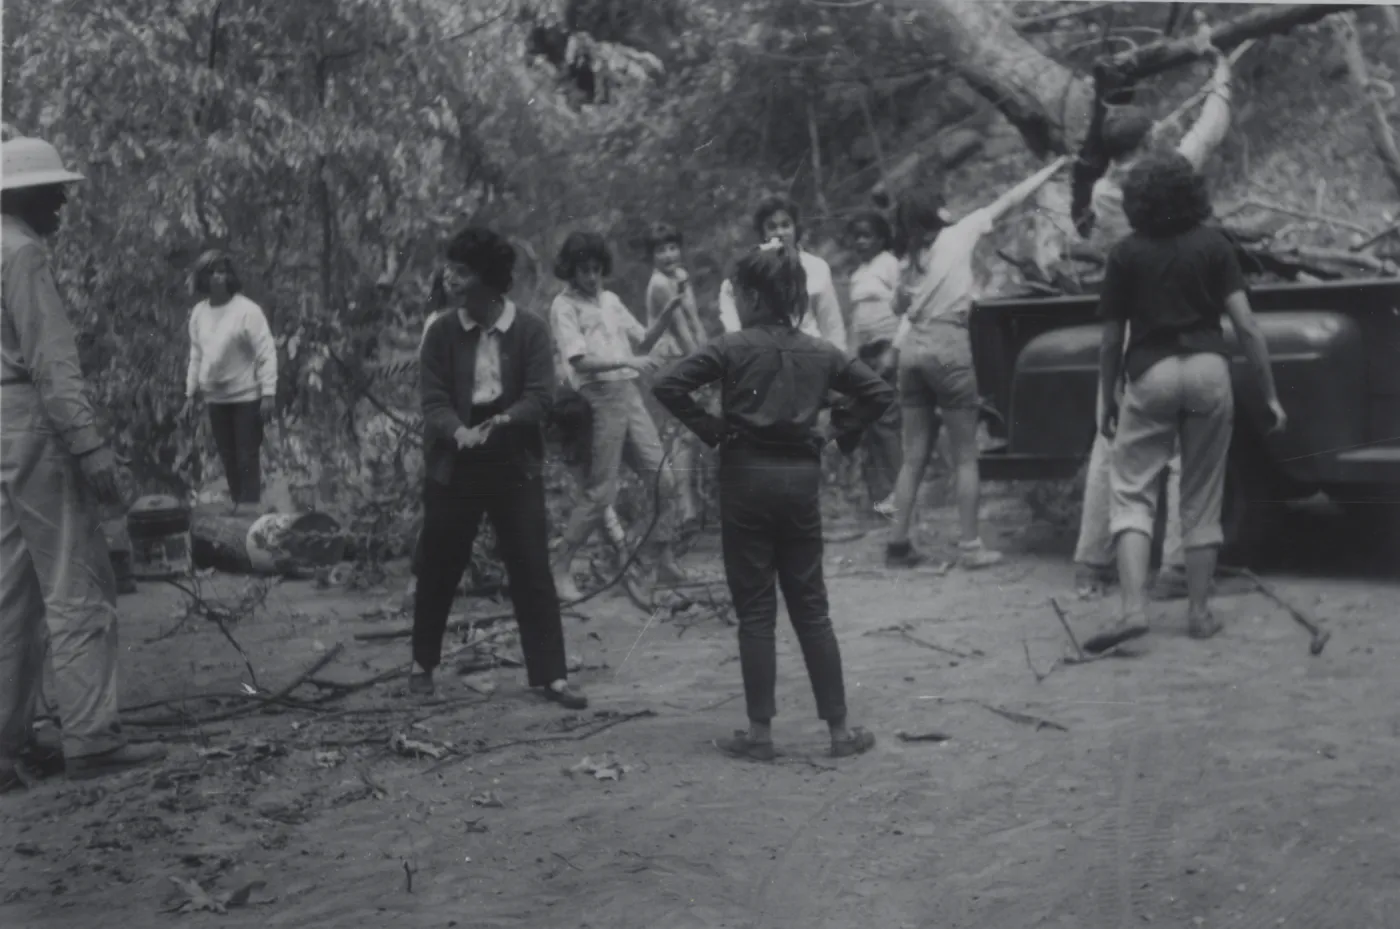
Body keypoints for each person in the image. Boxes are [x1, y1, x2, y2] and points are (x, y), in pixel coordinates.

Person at [653, 241, 894, 762]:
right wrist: (834, 431)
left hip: (745, 476)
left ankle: (761, 735)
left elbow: (669, 384)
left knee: (756, 610)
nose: (736, 302)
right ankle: (839, 732)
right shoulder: (822, 351)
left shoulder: (733, 346)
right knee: (812, 607)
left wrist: (713, 429)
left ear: (757, 298)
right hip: (800, 478)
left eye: (738, 293)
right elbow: (878, 393)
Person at [1, 136, 167, 790]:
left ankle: (6, 742)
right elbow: (52, 361)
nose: (64, 201)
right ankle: (92, 736)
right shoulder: (22, 253)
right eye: (54, 190)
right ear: (22, 194)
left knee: (11, 589)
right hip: (32, 417)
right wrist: (89, 444)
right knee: (76, 581)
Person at [1084, 152, 1286, 653]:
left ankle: (1133, 608)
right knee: (1201, 494)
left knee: (1132, 492)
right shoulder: (1215, 245)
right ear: (1193, 194)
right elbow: (1246, 327)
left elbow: (1111, 339)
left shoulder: (1125, 254)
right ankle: (1198, 613)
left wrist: (1105, 394)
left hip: (1150, 374)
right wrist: (1270, 394)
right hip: (1207, 373)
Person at [1075, 40, 1236, 598]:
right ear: (1149, 141)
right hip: (1173, 328)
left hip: (1133, 334)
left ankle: (1093, 563)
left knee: (1114, 451)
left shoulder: (1101, 191)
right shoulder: (1164, 178)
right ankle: (1173, 570)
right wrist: (1221, 77)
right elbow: (1209, 131)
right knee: (1177, 459)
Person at [413, 226, 587, 709]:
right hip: (456, 459)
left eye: (463, 272)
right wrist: (458, 431)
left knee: (531, 566)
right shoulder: (441, 331)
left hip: (512, 457)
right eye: (450, 267)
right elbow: (433, 401)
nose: (450, 278)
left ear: (490, 281)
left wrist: (505, 421)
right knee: (440, 563)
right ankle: (421, 665)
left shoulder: (529, 328)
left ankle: (551, 676)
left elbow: (540, 396)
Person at [885, 157, 1069, 570]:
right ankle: (970, 546)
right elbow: (1010, 199)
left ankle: (897, 542)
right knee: (966, 455)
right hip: (949, 346)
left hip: (913, 350)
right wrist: (1050, 169)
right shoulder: (959, 234)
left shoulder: (906, 261)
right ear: (939, 212)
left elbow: (898, 306)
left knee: (913, 455)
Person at [548, 231, 687, 602]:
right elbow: (578, 359)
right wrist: (628, 360)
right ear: (570, 269)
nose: (591, 277)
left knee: (665, 480)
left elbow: (643, 340)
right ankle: (560, 567)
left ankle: (647, 556)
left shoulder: (610, 300)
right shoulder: (564, 306)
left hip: (629, 394)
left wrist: (669, 311)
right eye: (583, 270)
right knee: (600, 492)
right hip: (598, 397)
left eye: (596, 269)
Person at [182, 250, 278, 515]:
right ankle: (239, 515)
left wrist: (268, 393)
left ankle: (249, 517)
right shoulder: (199, 314)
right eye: (211, 272)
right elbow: (197, 355)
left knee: (247, 457)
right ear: (202, 278)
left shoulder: (247, 311)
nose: (218, 277)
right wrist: (190, 394)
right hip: (216, 399)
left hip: (246, 397)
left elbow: (265, 352)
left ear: (231, 276)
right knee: (228, 458)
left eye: (222, 271)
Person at [717, 194, 847, 353]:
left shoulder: (816, 267)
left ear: (795, 228)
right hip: (766, 353)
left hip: (810, 352)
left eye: (786, 225)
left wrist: (839, 363)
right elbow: (729, 298)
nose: (780, 232)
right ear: (762, 232)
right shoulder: (752, 268)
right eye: (772, 227)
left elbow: (831, 323)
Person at [643, 222, 706, 530]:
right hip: (669, 359)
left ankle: (690, 508)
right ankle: (683, 511)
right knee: (679, 434)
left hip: (687, 356)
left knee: (688, 435)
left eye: (672, 247)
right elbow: (680, 329)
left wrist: (710, 355)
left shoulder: (680, 277)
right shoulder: (659, 285)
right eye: (660, 250)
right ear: (652, 256)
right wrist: (704, 367)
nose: (668, 256)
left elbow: (694, 320)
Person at [844, 210, 904, 517]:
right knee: (870, 423)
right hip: (865, 351)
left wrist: (893, 348)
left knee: (887, 420)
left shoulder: (890, 264)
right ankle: (881, 496)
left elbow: (903, 306)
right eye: (856, 236)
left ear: (881, 238)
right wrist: (850, 356)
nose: (861, 241)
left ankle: (901, 493)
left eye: (867, 235)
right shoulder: (858, 273)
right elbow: (856, 320)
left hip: (886, 345)